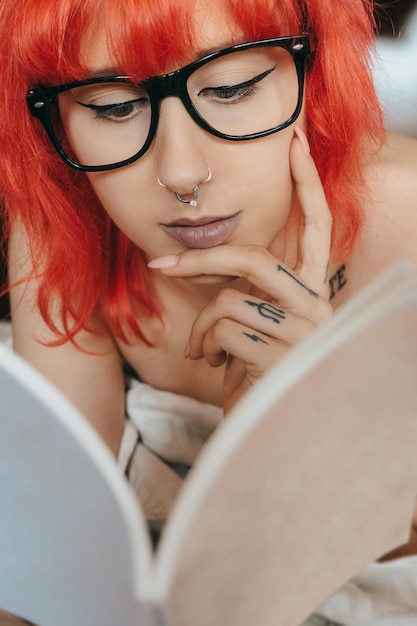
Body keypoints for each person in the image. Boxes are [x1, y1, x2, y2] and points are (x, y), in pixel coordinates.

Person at [1, 0, 417, 622]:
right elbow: (52, 557)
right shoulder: (65, 216)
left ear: (317, 70)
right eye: (113, 107)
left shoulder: (406, 223)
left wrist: (319, 434)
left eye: (233, 87)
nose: (182, 174)